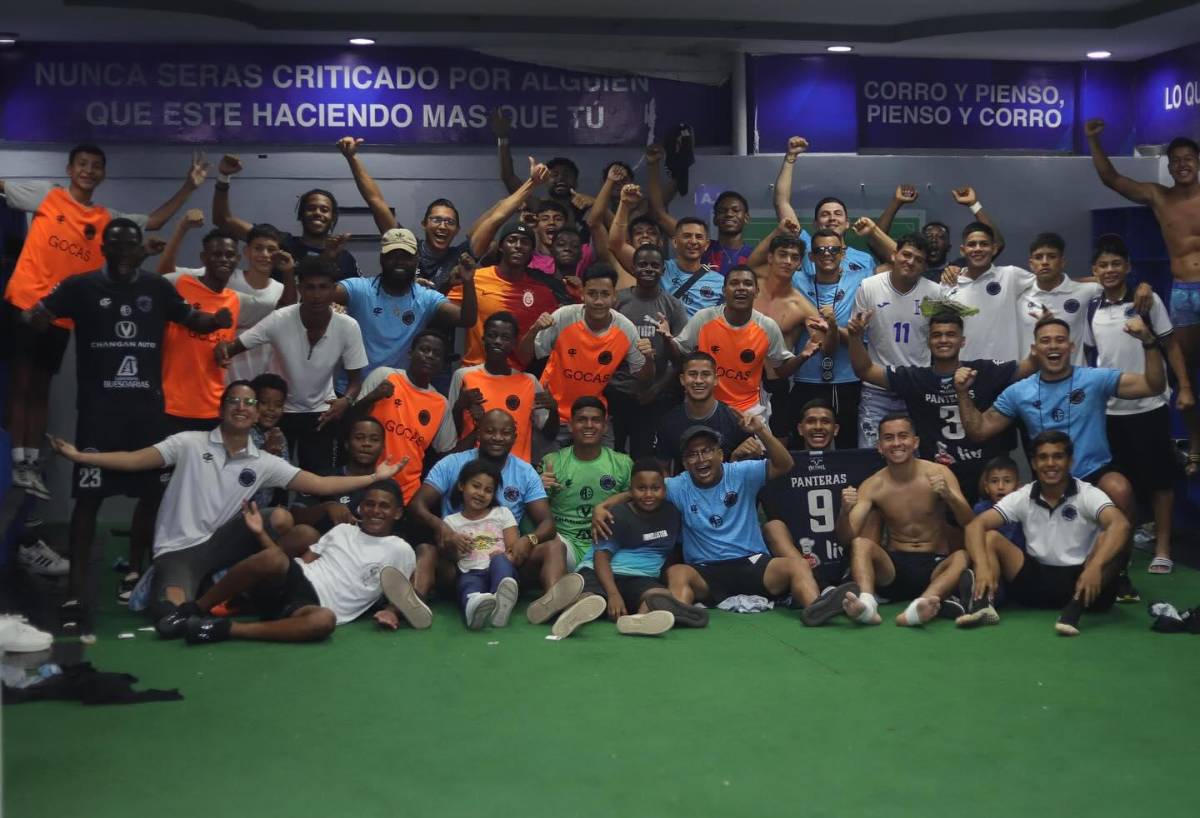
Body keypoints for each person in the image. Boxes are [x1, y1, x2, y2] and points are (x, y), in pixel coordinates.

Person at [24, 218, 233, 632]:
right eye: (115, 249)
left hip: (147, 413)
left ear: (141, 251)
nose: (123, 258)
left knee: (152, 498)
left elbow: (191, 319)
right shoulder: (80, 287)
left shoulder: (156, 289)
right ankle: (76, 592)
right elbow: (39, 314)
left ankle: (136, 575)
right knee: (88, 501)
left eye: (130, 249)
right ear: (105, 249)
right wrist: (33, 317)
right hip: (99, 415)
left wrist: (217, 319)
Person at [48, 381, 405, 621]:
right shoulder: (187, 443)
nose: (242, 407)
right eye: (233, 401)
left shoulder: (263, 462)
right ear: (221, 410)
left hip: (227, 543)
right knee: (172, 618)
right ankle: (203, 586)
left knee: (281, 519)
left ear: (255, 414)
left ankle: (241, 584)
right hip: (181, 550)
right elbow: (134, 459)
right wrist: (83, 458)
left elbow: (320, 482)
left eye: (249, 403)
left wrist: (375, 478)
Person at [3, 145, 209, 498]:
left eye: (96, 166)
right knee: (19, 387)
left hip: (59, 317)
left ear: (103, 174)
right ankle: (17, 463)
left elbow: (155, 221)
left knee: (41, 392)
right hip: (25, 303)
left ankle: (30, 465)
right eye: (82, 164)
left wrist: (189, 186)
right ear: (70, 169)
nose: (89, 170)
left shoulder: (104, 218)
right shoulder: (48, 195)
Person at [956, 315, 1166, 602]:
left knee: (1120, 489)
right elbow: (978, 431)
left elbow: (1152, 386)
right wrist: (962, 394)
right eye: (1045, 341)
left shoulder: (1095, 378)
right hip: (1049, 477)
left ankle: (1116, 573)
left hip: (1094, 471)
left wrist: (1150, 343)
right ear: (1035, 349)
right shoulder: (1019, 391)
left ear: (1070, 346)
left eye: (1059, 340)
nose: (1052, 346)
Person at [597, 415, 847, 626]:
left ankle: (815, 609)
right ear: (685, 462)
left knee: (796, 566)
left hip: (752, 563)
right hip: (706, 570)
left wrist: (761, 430)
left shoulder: (742, 473)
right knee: (677, 571)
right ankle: (675, 615)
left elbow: (785, 463)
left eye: (707, 451)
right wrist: (603, 506)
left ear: (720, 454)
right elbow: (641, 491)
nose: (701, 459)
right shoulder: (677, 485)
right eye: (693, 454)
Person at [157, 481, 419, 644]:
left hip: (310, 608)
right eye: (369, 504)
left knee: (323, 622)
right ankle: (194, 608)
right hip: (295, 581)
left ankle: (226, 629)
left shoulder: (400, 549)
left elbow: (404, 592)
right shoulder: (343, 530)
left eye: (384, 506)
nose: (375, 511)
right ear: (361, 508)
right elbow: (295, 562)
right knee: (275, 557)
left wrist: (393, 613)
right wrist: (260, 533)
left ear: (397, 512)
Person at [1088, 121, 1200, 472]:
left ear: (1198, 162)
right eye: (1176, 160)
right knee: (1186, 372)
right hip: (1184, 292)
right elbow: (1112, 179)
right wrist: (1093, 139)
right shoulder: (1158, 196)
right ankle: (1195, 445)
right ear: (1168, 166)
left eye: (1189, 159)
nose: (1182, 164)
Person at [1085, 234, 1193, 571]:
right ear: (1095, 270)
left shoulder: (1147, 301)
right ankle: (1123, 544)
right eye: (1103, 265)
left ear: (1128, 267)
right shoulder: (1093, 305)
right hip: (1110, 410)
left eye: (1117, 264)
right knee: (1120, 482)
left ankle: (1162, 548)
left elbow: (1171, 345)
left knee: (1160, 479)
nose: (1110, 270)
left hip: (1150, 405)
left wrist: (1185, 387)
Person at [410, 409, 578, 625]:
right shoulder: (451, 464)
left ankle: (554, 606)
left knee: (555, 546)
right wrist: (441, 528)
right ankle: (413, 605)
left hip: (506, 562)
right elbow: (416, 506)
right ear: (478, 432)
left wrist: (529, 540)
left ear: (515, 437)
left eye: (505, 433)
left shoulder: (525, 472)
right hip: (460, 560)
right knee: (426, 550)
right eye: (490, 431)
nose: (498, 438)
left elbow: (547, 523)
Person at [848, 310, 1034, 502]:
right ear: (928, 342)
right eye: (937, 335)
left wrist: (1042, 332)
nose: (943, 340)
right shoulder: (916, 379)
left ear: (962, 341)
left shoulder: (984, 371)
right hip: (939, 481)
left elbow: (1028, 367)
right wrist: (855, 337)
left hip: (986, 481)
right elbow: (866, 370)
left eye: (950, 335)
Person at [961, 431, 1131, 636]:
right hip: (1035, 584)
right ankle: (983, 604)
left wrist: (1095, 567)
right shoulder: (1022, 496)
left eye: (1058, 456)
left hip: (1085, 583)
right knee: (989, 537)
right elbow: (974, 526)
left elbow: (1121, 524)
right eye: (1043, 457)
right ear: (1033, 463)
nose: (1050, 463)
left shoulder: (1088, 494)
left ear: (1070, 461)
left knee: (1112, 536)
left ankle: (1074, 610)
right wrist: (982, 567)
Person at [216, 256, 368, 474]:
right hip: (279, 412)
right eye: (310, 288)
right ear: (299, 289)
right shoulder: (279, 319)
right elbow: (232, 348)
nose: (316, 295)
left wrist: (347, 400)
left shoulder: (348, 326)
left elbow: (355, 380)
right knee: (275, 480)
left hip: (322, 413)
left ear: (334, 290)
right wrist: (221, 348)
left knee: (319, 479)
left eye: (323, 288)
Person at [337, 135, 545, 288]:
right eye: (436, 220)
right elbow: (376, 202)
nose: (443, 226)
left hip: (442, 339)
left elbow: (496, 218)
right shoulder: (405, 244)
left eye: (449, 222)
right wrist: (352, 159)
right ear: (424, 224)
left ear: (457, 230)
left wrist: (532, 184)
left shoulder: (462, 255)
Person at [550, 459, 708, 639]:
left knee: (660, 596)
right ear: (631, 491)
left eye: (655, 488)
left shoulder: (672, 513)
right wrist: (613, 594)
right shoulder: (616, 515)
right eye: (641, 488)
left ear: (664, 490)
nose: (648, 494)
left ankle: (639, 620)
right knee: (592, 598)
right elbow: (601, 557)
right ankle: (569, 609)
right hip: (601, 572)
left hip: (640, 578)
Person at [841, 414, 974, 627]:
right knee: (860, 544)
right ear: (879, 446)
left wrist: (949, 495)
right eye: (889, 438)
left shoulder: (939, 473)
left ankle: (921, 606)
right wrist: (843, 512)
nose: (896, 443)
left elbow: (969, 522)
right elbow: (847, 538)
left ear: (915, 442)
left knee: (962, 556)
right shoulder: (873, 485)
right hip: (894, 568)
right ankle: (867, 604)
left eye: (903, 436)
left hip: (934, 565)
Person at [519, 265, 654, 446]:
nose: (598, 301)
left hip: (593, 417)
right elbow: (523, 357)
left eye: (605, 294)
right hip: (553, 413)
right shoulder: (563, 317)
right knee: (548, 472)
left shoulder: (625, 328)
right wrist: (534, 330)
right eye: (592, 294)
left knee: (606, 471)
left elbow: (644, 380)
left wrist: (649, 359)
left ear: (614, 297)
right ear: (582, 294)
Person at [663, 265, 822, 415]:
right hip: (706, 407)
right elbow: (679, 355)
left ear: (756, 291)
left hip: (750, 410)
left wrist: (803, 356)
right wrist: (667, 339)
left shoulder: (767, 326)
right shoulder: (704, 318)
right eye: (734, 283)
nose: (741, 288)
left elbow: (781, 370)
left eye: (747, 284)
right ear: (724, 290)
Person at [759, 399, 883, 588]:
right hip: (804, 557)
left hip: (847, 548)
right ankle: (809, 582)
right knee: (773, 527)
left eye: (825, 421)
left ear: (836, 429)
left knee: (873, 514)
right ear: (800, 428)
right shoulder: (781, 466)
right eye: (811, 421)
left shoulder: (859, 462)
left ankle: (860, 581)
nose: (818, 427)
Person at [330, 227, 476, 386]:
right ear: (382, 259)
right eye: (392, 256)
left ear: (416, 260)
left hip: (396, 393)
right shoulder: (359, 289)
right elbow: (320, 295)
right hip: (351, 390)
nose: (399, 262)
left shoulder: (425, 297)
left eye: (406, 256)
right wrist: (328, 259)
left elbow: (466, 319)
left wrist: (468, 281)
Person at [158, 217, 293, 383]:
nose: (264, 254)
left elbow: (286, 312)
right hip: (208, 369)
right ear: (246, 252)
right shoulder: (220, 272)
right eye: (258, 248)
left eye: (271, 249)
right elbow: (164, 277)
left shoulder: (272, 292)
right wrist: (182, 228)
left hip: (256, 371)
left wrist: (289, 272)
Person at [850, 233, 941, 447]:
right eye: (906, 255)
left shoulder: (935, 293)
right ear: (894, 255)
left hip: (917, 387)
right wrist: (855, 332)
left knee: (916, 454)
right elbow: (857, 336)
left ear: (925, 266)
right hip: (876, 389)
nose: (910, 262)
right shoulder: (869, 287)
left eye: (918, 259)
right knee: (871, 454)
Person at [787, 228, 875, 449]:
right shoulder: (795, 281)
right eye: (820, 250)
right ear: (811, 256)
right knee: (801, 449)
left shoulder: (861, 280)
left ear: (843, 253)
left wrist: (833, 328)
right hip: (806, 379)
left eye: (834, 249)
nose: (827, 253)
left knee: (847, 449)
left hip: (847, 381)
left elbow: (896, 263)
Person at [213, 153, 360, 280]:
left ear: (332, 217)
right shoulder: (280, 242)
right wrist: (224, 177)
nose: (317, 213)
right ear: (301, 214)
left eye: (324, 209)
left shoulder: (343, 258)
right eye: (311, 208)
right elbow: (223, 221)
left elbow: (354, 298)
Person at [354, 329, 457, 503]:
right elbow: (351, 421)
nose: (430, 356)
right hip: (365, 483)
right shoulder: (385, 376)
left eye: (437, 354)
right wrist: (373, 397)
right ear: (410, 353)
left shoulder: (441, 403)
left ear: (442, 363)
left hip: (407, 494)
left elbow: (446, 452)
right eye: (424, 349)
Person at [607, 243, 688, 457]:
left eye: (655, 265)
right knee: (614, 457)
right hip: (616, 393)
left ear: (663, 269)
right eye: (642, 264)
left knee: (644, 458)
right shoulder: (618, 301)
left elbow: (681, 360)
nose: (649, 269)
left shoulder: (673, 306)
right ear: (632, 268)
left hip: (653, 397)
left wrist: (658, 388)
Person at [772, 136, 896, 275]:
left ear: (847, 223)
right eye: (825, 215)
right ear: (816, 224)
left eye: (838, 214)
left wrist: (874, 230)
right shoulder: (805, 248)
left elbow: (902, 262)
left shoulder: (865, 260)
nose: (832, 218)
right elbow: (781, 202)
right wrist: (790, 157)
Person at [446, 311, 558, 463]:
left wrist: (554, 410)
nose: (497, 341)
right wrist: (460, 406)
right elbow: (449, 433)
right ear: (483, 338)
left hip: (516, 471)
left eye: (505, 337)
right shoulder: (463, 376)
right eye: (492, 335)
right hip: (473, 469)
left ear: (513, 343)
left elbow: (549, 434)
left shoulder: (529, 382)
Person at [446, 222, 560, 368]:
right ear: (500, 246)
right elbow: (439, 307)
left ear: (532, 250)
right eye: (512, 240)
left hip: (515, 376)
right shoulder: (474, 278)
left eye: (525, 242)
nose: (518, 246)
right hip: (474, 369)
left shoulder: (542, 293)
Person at [161, 229, 242, 430]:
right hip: (172, 404)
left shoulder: (234, 299)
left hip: (212, 407)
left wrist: (225, 350)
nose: (224, 259)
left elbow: (221, 342)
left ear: (238, 259)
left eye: (230, 255)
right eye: (216, 254)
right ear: (204, 258)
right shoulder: (180, 283)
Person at [539, 398, 632, 571]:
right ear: (570, 426)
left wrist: (605, 505)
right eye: (582, 420)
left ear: (604, 427)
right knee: (552, 548)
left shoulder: (623, 463)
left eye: (596, 420)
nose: (589, 425)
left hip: (607, 545)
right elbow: (536, 513)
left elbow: (637, 496)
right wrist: (538, 490)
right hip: (566, 545)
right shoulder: (552, 462)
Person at [438, 459, 523, 630]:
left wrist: (506, 555)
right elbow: (448, 556)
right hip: (470, 570)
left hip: (498, 567)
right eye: (475, 486)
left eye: (488, 490)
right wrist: (455, 544)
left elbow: (514, 546)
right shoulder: (451, 522)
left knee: (500, 562)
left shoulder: (502, 513)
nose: (481, 493)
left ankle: (500, 600)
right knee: (468, 586)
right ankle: (473, 609)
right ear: (462, 486)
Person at [611, 200, 725, 318]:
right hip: (662, 334)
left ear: (706, 245)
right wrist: (624, 204)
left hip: (699, 336)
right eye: (687, 236)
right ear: (675, 242)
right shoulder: (656, 268)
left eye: (699, 237)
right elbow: (616, 245)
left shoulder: (720, 282)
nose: (693, 241)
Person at [939, 222, 1034, 362]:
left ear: (994, 249)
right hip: (964, 372)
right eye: (972, 244)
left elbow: (1050, 281)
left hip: (1006, 372)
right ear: (962, 250)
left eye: (984, 244)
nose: (978, 249)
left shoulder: (1010, 275)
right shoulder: (948, 284)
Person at [875, 184, 1007, 281]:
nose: (933, 240)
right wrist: (896, 202)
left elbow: (997, 243)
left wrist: (973, 204)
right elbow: (875, 241)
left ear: (949, 247)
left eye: (940, 237)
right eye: (929, 235)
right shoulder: (908, 264)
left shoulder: (962, 267)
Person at [288, 415, 387, 538]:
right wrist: (326, 507)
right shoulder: (324, 477)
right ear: (347, 444)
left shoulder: (387, 486)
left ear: (383, 448)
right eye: (359, 438)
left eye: (374, 439)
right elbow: (295, 515)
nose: (366, 444)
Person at [655, 351, 754, 473]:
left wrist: (741, 457)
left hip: (728, 488)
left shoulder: (735, 419)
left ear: (716, 379)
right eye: (692, 374)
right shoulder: (668, 422)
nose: (698, 380)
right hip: (685, 490)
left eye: (705, 374)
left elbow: (751, 466)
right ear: (682, 379)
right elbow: (662, 468)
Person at [1015, 233, 1102, 365]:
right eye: (1038, 257)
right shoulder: (1018, 297)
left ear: (1062, 262)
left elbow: (1115, 285)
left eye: (1052, 256)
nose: (1044, 262)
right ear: (1031, 264)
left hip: (1075, 378)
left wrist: (1144, 287)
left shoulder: (1087, 291)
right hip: (1031, 379)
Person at [973, 455, 1026, 553]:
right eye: (994, 481)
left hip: (1016, 559)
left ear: (1017, 486)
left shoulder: (1023, 508)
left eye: (1007, 481)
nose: (1000, 487)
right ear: (986, 487)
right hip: (988, 556)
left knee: (992, 537)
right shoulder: (981, 509)